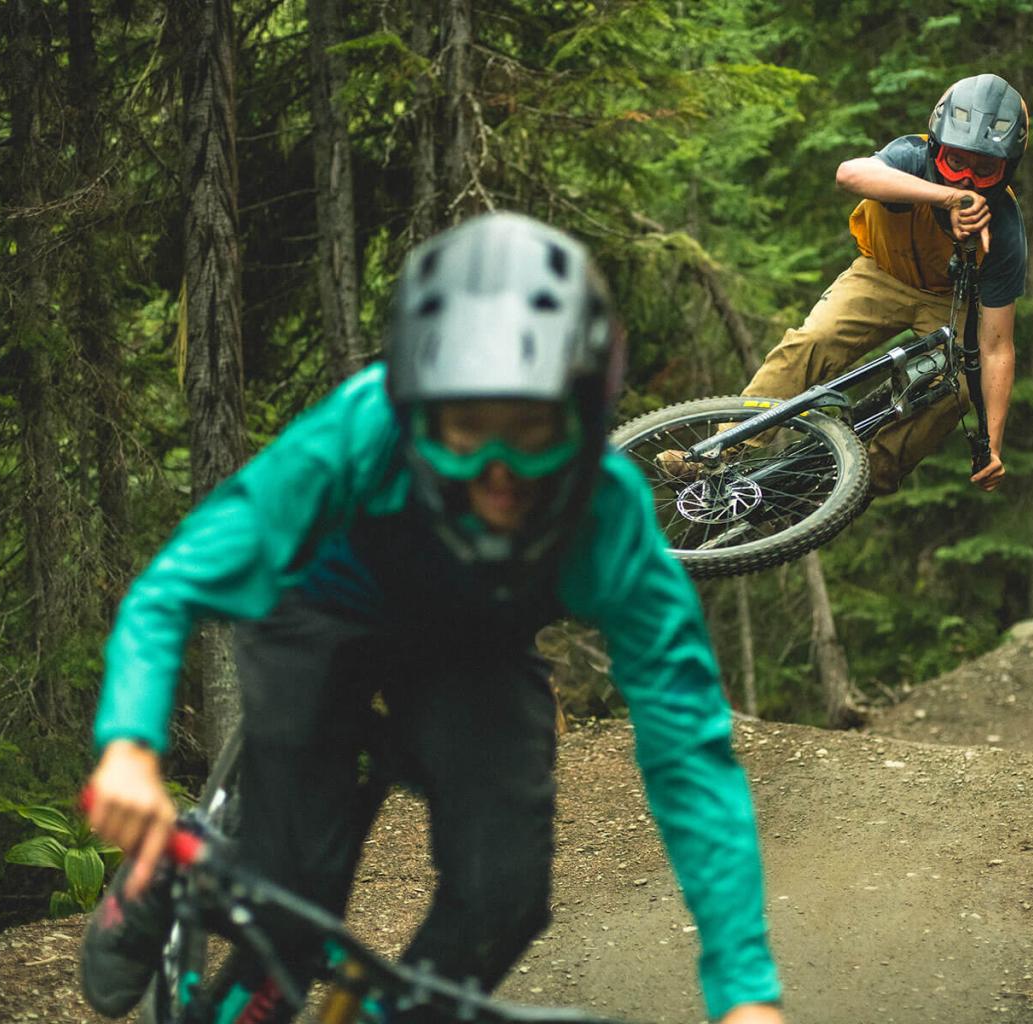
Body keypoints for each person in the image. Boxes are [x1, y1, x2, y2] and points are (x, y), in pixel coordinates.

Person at [78, 212, 785, 1024]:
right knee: (290, 910)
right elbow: (174, 587)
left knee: (502, 901)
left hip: (471, 646)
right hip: (321, 618)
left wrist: (745, 993)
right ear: (417, 410)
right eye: (466, 429)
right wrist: (129, 750)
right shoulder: (360, 430)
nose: (498, 472)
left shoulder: (606, 513)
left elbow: (687, 743)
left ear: (585, 415)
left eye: (531, 430)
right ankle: (163, 875)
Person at [667, 74, 1027, 500]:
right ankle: (719, 451)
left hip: (949, 300)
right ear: (935, 148)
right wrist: (943, 198)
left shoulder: (1005, 228)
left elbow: (996, 347)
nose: (965, 179)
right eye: (955, 162)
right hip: (880, 275)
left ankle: (858, 483)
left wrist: (992, 445)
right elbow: (850, 174)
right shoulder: (911, 157)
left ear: (1006, 170)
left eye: (984, 170)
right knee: (813, 341)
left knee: (960, 386)